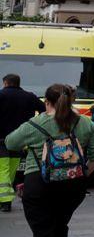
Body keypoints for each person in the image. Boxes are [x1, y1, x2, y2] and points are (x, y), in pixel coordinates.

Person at [4, 84, 94, 237]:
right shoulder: (84, 123)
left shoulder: (37, 123)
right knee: (59, 226)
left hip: (40, 184)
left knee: (43, 231)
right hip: (73, 186)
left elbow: (11, 142)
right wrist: (82, 175)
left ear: (47, 102)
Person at [0, 74, 44, 213]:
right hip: (20, 140)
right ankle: (5, 198)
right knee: (11, 170)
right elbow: (44, 110)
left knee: (3, 170)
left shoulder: (1, 95)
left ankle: (5, 201)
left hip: (1, 139)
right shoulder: (30, 96)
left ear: (5, 83)